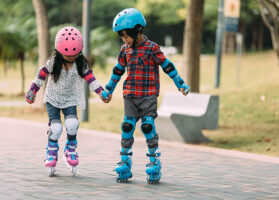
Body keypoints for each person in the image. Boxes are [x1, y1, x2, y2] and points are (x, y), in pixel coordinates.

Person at [101, 8, 190, 184]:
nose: (124, 40)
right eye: (121, 37)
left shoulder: (152, 48)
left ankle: (154, 162)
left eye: (126, 36)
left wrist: (180, 84)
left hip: (148, 95)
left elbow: (168, 66)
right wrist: (109, 89)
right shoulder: (125, 50)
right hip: (130, 96)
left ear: (137, 31)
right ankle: (125, 163)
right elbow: (117, 71)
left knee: (148, 127)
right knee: (127, 126)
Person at [25, 26, 104, 176]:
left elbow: (91, 79)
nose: (71, 58)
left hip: (70, 98)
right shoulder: (53, 62)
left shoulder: (81, 63)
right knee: (56, 128)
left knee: (72, 124)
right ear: (59, 51)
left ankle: (70, 149)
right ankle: (51, 152)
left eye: (74, 55)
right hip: (53, 98)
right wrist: (32, 91)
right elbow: (41, 75)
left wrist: (101, 92)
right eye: (68, 56)